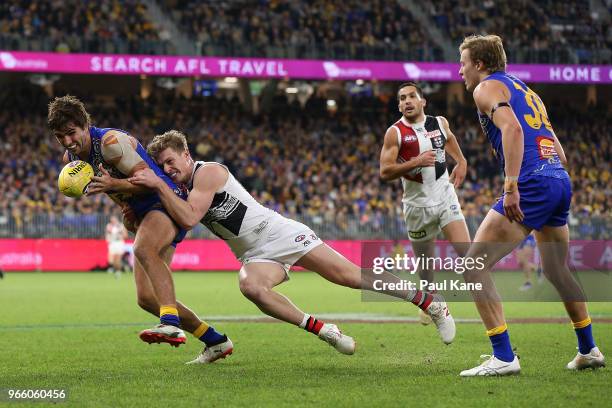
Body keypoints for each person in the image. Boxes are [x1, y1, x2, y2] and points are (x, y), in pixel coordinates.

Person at [127, 130, 456, 360]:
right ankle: (325, 330)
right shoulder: (176, 191)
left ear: (187, 154)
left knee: (347, 275)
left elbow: (187, 218)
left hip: (277, 232)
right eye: (163, 167)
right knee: (251, 287)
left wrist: (156, 184)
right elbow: (168, 227)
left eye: (172, 161)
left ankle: (429, 303)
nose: (169, 170)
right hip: (253, 254)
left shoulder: (208, 172)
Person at [457, 34, 604, 375]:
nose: (460, 70)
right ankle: (588, 349)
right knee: (556, 269)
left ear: (479, 64)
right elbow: (559, 151)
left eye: (463, 62)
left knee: (473, 265)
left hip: (532, 181)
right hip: (556, 178)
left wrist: (511, 186)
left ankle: (504, 356)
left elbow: (511, 129)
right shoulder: (526, 91)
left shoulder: (487, 88)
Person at [48, 96, 231, 364]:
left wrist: (116, 187)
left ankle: (170, 323)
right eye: (59, 136)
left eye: (71, 133)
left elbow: (151, 180)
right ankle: (215, 340)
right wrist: (126, 207)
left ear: (85, 125)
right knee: (146, 298)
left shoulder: (110, 143)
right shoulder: (72, 157)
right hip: (145, 209)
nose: (66, 141)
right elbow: (109, 184)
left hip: (166, 198)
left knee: (143, 249)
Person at [379, 81, 471, 325]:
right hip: (416, 206)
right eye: (401, 98)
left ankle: (494, 326)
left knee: (469, 256)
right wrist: (415, 162)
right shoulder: (395, 132)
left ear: (422, 101)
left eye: (411, 96)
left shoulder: (439, 122)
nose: (406, 101)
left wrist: (460, 160)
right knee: (426, 268)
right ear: (399, 105)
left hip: (444, 197)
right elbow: (385, 171)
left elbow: (449, 138)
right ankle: (429, 301)